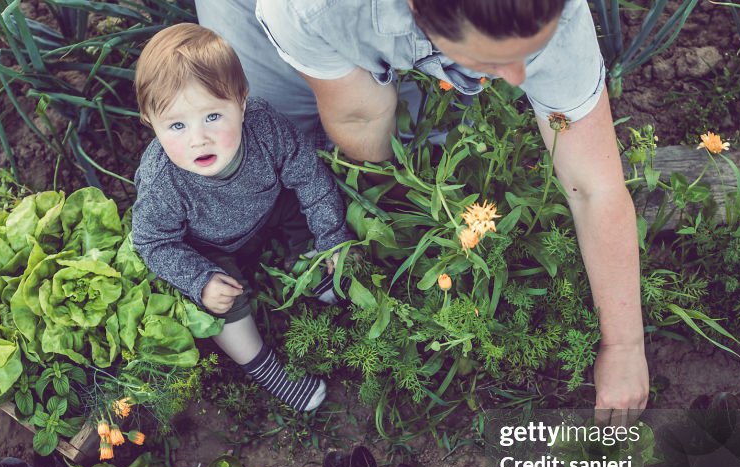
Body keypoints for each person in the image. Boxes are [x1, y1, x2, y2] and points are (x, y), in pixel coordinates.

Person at [196, 0, 649, 423]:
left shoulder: (555, 10)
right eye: (495, 60)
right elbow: (361, 118)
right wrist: (387, 213)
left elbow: (595, 188)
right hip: (287, 16)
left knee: (428, 143)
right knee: (269, 149)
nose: (515, 77)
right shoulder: (312, 7)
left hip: (383, 26)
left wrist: (625, 345)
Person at [131, 24, 354, 412]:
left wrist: (333, 237)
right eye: (177, 125)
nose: (198, 138)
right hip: (209, 246)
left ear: (242, 102)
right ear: (151, 121)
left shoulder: (265, 127)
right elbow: (151, 241)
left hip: (266, 208)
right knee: (220, 303)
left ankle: (314, 263)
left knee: (299, 202)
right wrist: (198, 279)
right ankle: (266, 370)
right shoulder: (163, 182)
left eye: (213, 116)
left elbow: (308, 174)